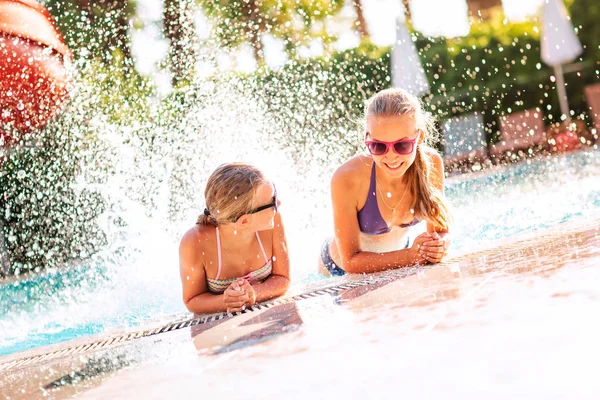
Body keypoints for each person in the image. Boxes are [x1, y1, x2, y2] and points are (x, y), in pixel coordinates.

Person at [319, 88, 452, 276]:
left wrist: (439, 246)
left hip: (400, 254)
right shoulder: (347, 177)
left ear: (419, 138)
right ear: (367, 139)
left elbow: (440, 233)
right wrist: (410, 256)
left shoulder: (432, 165)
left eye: (402, 145)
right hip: (338, 268)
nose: (391, 157)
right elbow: (350, 261)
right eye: (378, 146)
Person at [179, 163, 290, 314]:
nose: (278, 203)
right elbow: (192, 300)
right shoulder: (195, 242)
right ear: (244, 221)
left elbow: (283, 278)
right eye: (272, 201)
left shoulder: (273, 221)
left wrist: (255, 294)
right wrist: (226, 301)